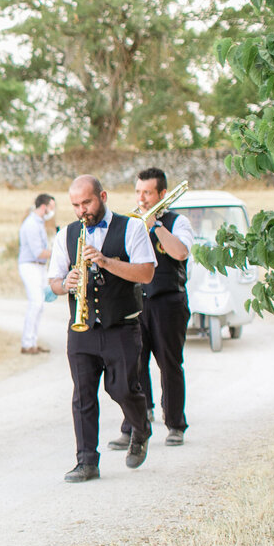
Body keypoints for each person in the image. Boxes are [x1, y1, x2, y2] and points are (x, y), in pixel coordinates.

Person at [48, 175, 156, 483]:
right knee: (83, 396)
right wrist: (64, 283)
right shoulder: (66, 234)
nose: (82, 210)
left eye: (87, 202)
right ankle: (87, 462)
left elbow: (146, 273)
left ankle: (140, 427)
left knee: (121, 388)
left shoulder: (131, 227)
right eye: (76, 205)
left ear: (103, 196)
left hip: (121, 325)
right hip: (81, 328)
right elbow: (53, 282)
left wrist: (106, 261)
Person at [106, 167, 194, 450]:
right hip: (137, 302)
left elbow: (180, 252)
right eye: (138, 192)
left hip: (168, 301)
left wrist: (156, 225)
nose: (141, 198)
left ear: (162, 195)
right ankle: (135, 424)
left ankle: (175, 425)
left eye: (147, 193)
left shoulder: (178, 222)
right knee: (134, 365)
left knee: (169, 364)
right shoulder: (130, 223)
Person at [18, 193, 56, 354]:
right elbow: (38, 252)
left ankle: (32, 340)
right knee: (36, 303)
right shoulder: (32, 224)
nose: (52, 211)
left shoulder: (39, 223)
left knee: (39, 305)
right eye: (51, 207)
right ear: (44, 207)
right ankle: (27, 343)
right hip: (30, 265)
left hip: (39, 266)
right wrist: (57, 253)